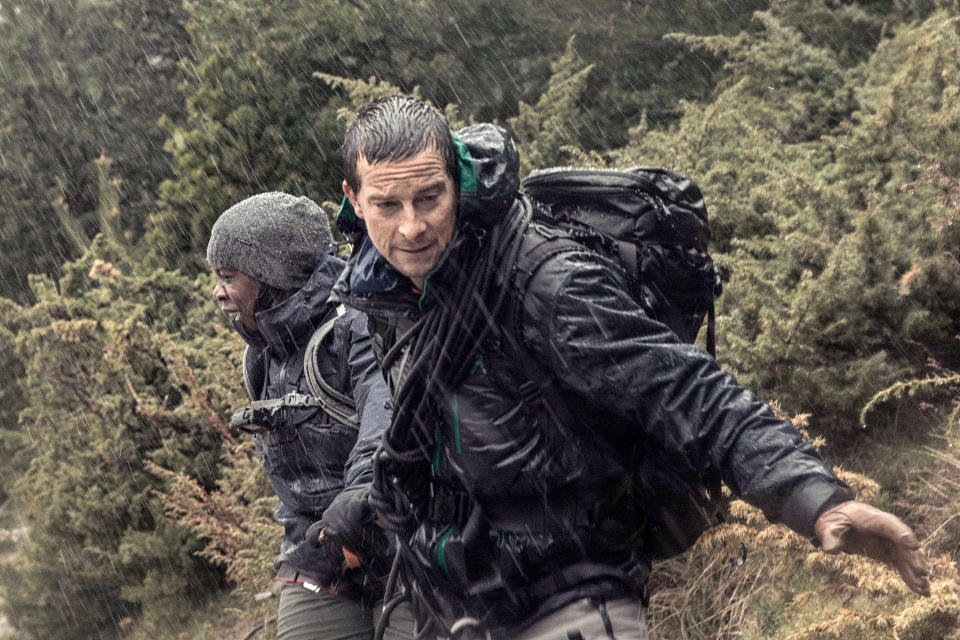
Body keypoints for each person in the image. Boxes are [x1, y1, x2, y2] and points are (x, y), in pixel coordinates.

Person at [328, 96, 930, 640]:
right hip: (465, 606)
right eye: (388, 204)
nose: (412, 226)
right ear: (355, 200)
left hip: (572, 600)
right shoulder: (393, 296)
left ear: (457, 182)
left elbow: (690, 391)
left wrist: (813, 497)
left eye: (430, 197)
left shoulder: (547, 284)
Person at [208, 192, 413, 640]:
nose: (217, 292)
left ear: (271, 277)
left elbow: (386, 419)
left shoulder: (358, 323)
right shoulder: (260, 356)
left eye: (228, 277)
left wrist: (360, 496)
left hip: (403, 536)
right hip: (319, 551)